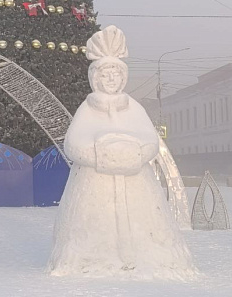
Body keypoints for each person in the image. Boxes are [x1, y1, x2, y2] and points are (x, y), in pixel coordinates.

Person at [48, 25, 195, 280]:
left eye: (116, 74)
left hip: (137, 182)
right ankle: (90, 259)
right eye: (105, 75)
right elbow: (73, 144)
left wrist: (134, 155)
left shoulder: (134, 108)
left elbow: (150, 141)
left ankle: (151, 256)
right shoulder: (87, 109)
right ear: (95, 78)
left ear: (123, 77)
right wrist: (100, 156)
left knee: (146, 224)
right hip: (94, 184)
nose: (111, 79)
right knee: (93, 225)